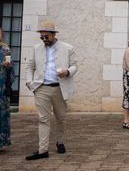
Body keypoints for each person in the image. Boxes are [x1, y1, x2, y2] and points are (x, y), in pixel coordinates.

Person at [24, 21, 78, 160]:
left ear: (54, 35)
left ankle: (60, 141)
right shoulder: (36, 48)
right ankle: (43, 150)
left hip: (60, 88)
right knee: (43, 119)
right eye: (41, 37)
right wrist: (29, 82)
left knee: (60, 117)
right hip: (41, 88)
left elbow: (74, 66)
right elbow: (30, 66)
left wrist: (67, 72)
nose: (43, 39)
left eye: (46, 36)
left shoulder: (67, 48)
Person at [0, 29, 14, 151]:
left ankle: (1, 141)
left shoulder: (6, 49)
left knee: (2, 115)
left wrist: (9, 66)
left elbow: (11, 68)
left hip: (2, 88)